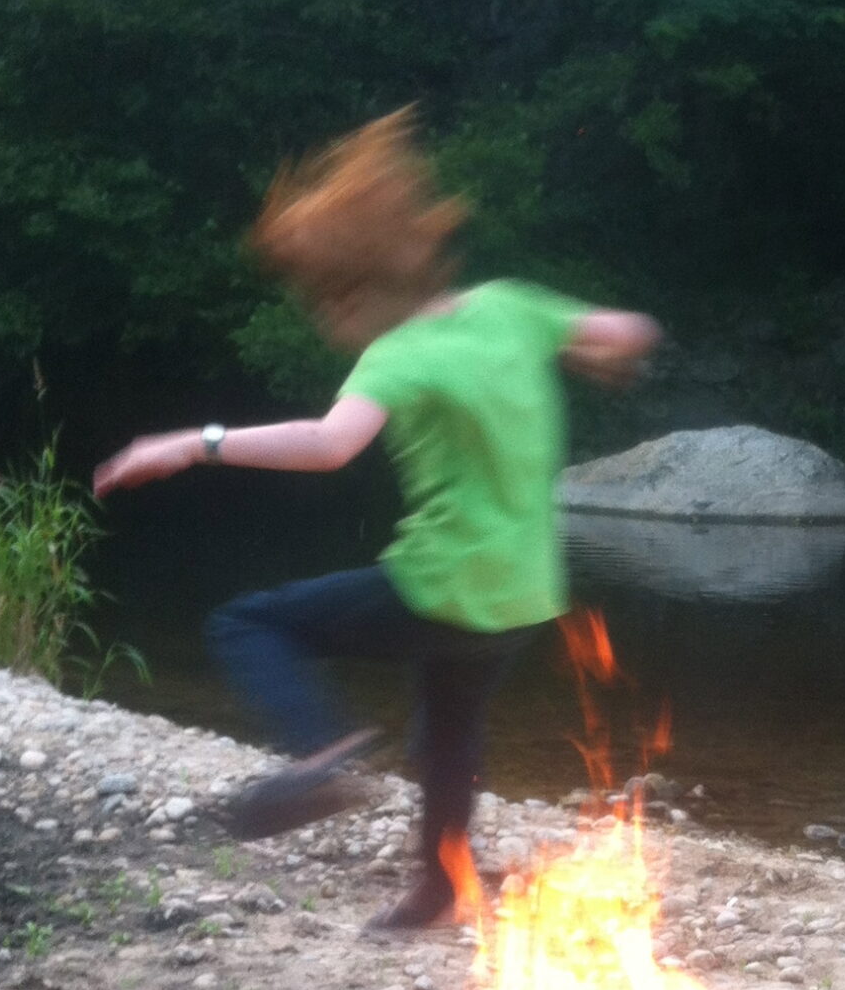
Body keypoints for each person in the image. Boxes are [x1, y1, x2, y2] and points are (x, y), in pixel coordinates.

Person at [93, 108, 659, 933]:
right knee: (451, 736)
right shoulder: (509, 306)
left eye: (321, 302)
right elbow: (628, 329)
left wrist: (193, 442)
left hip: (443, 583)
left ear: (350, 290)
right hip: (524, 594)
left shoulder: (395, 356)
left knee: (250, 623)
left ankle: (321, 752)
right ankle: (438, 891)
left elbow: (328, 445)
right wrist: (601, 352)